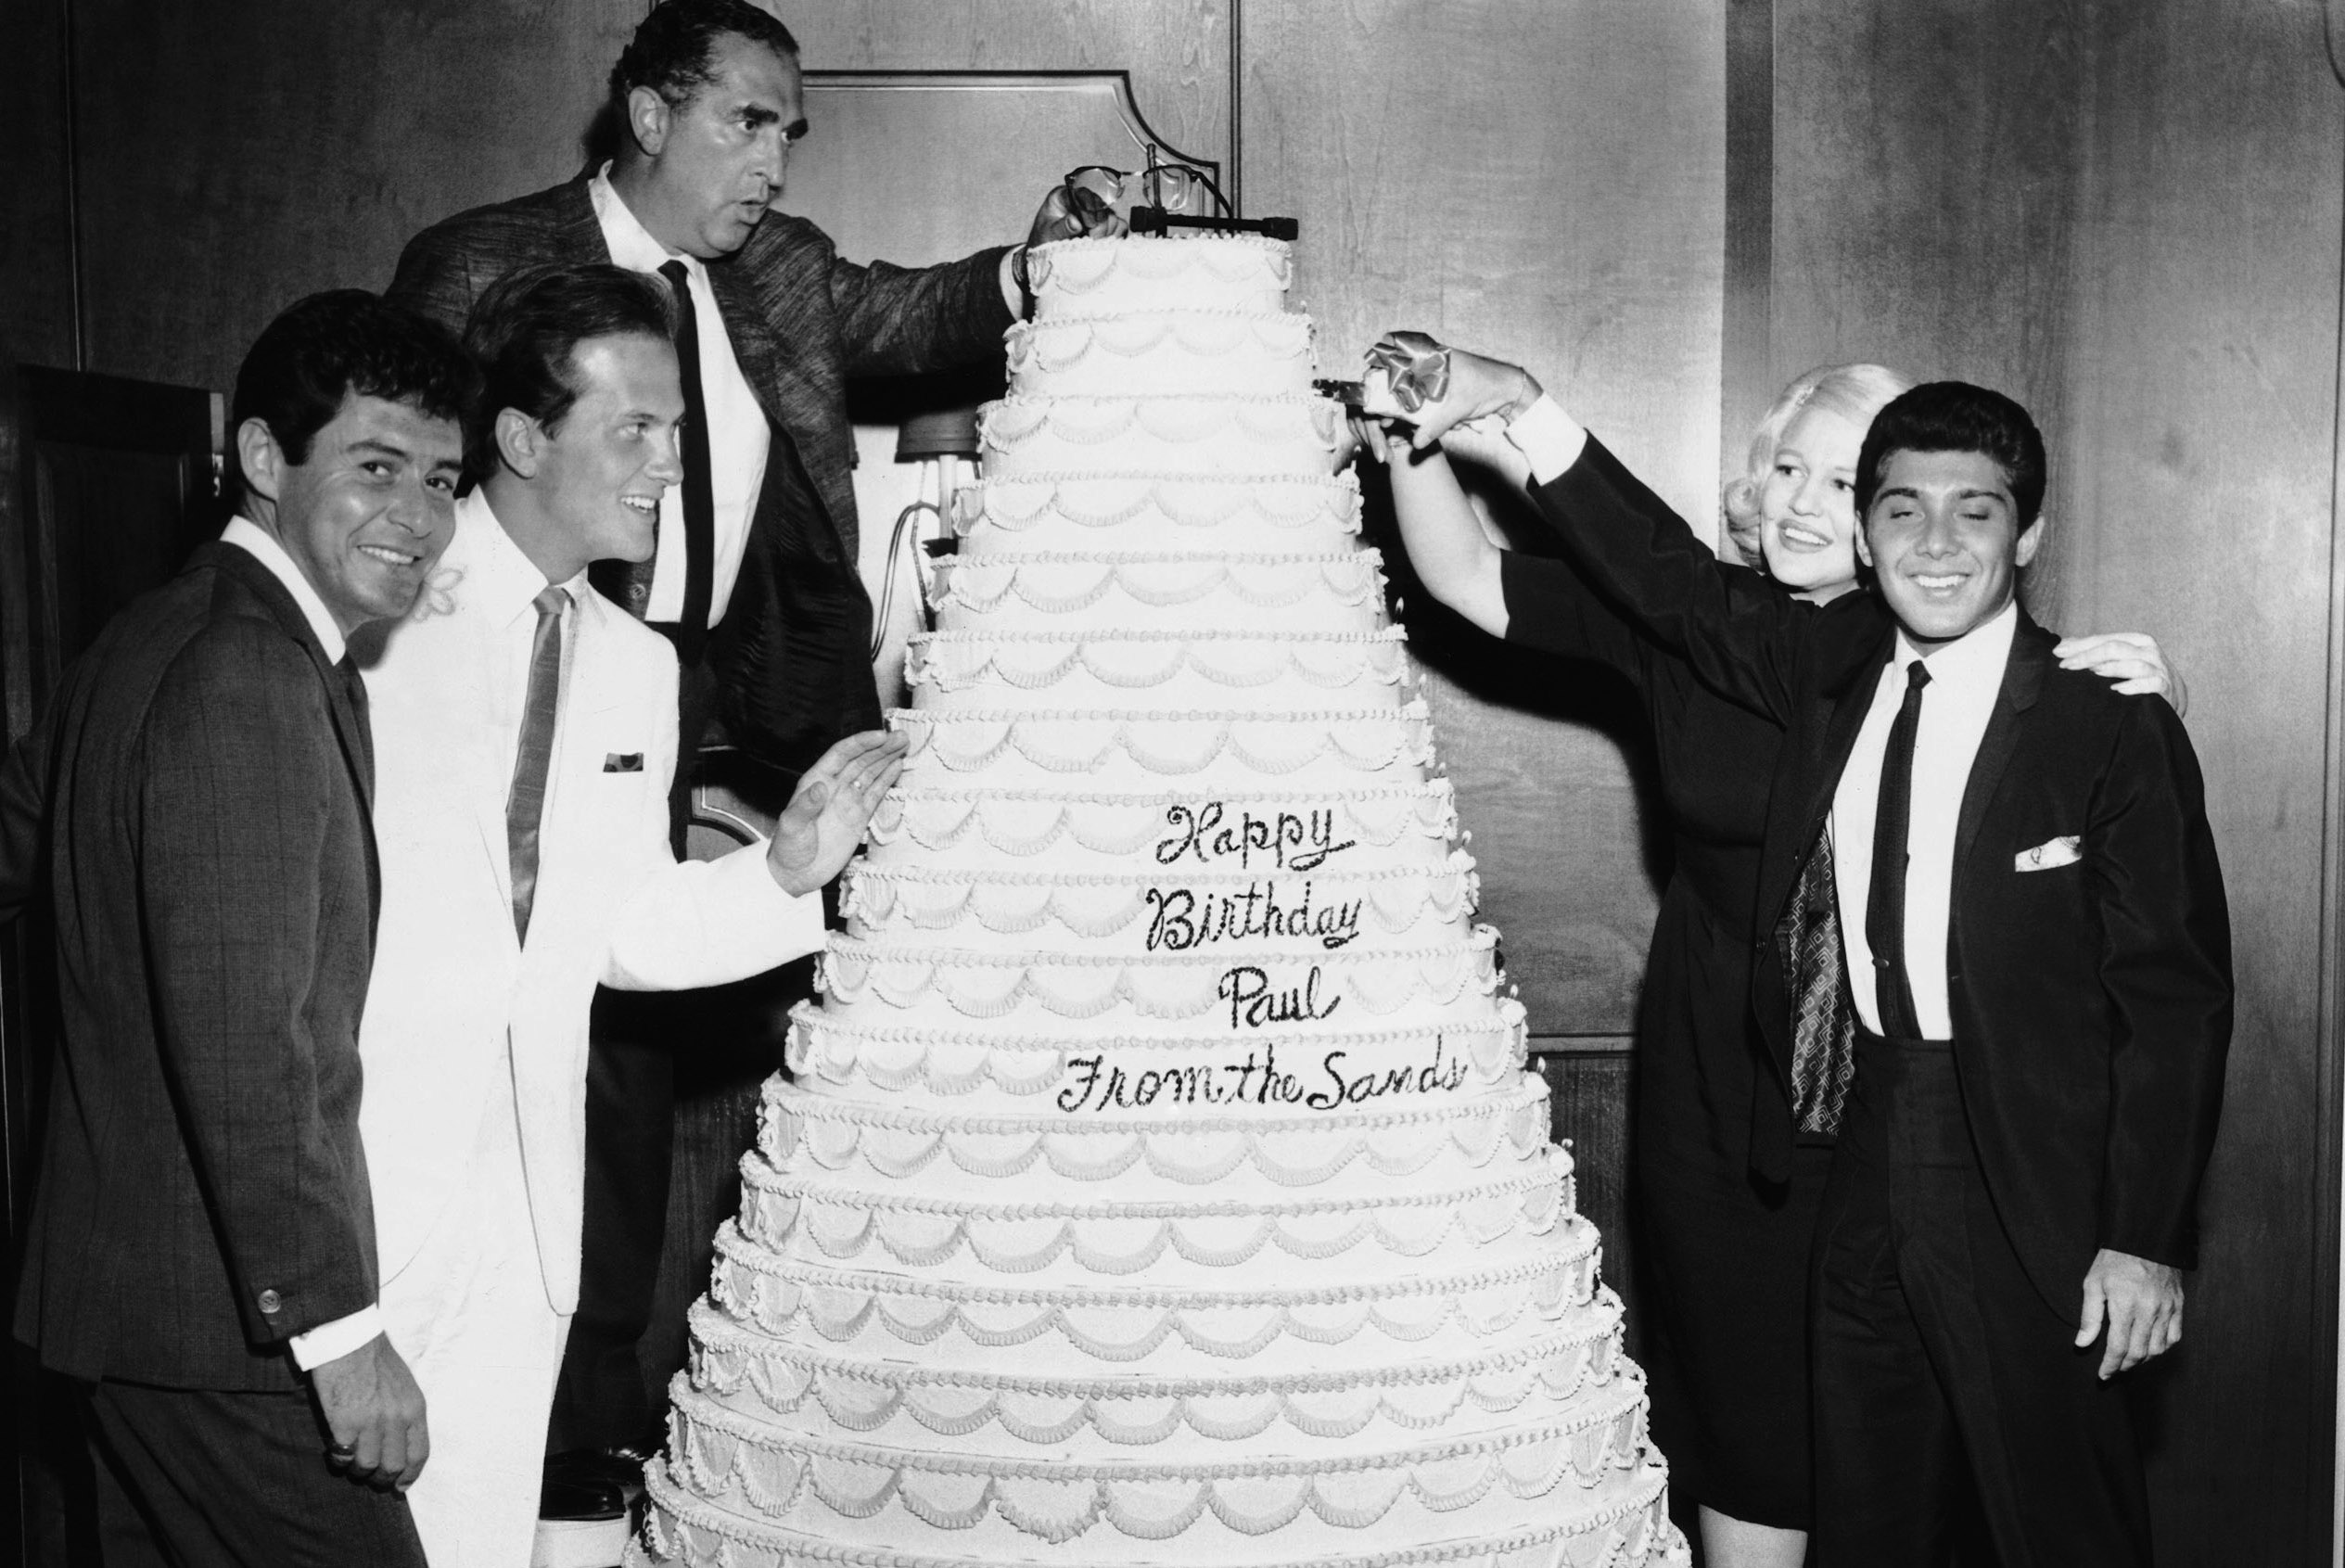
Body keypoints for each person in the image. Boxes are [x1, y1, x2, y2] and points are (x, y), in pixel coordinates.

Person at [383, 0, 1118, 1501]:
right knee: (545, 1100)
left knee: (705, 1130)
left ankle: (659, 1465)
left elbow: (916, 319)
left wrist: (1050, 261)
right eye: (746, 120)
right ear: (648, 115)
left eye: (789, 130)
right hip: (515, 703)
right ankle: (515, 1453)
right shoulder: (479, 262)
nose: (772, 159)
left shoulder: (773, 271)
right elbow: (392, 476)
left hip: (744, 712)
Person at [1390, 356, 2230, 1566]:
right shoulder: (1754, 642)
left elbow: (2155, 975)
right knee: (1799, 1452)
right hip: (1764, 1108)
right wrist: (1463, 416)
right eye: (1792, 469)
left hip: (1970, 1138)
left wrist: (2149, 716)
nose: (1801, 503)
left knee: (2012, 1478)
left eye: (1842, 483)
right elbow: (1561, 578)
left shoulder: (2033, 686)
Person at [351, 261, 906, 1566]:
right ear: (523, 437)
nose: (669, 465)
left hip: (534, 1215)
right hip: (353, 1206)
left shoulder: (638, 663)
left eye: (676, 429)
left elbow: (618, 935)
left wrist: (786, 872)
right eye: (635, 431)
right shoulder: (375, 612)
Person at [0, 292, 475, 1565]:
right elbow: (248, 1050)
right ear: (264, 460)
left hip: (121, 1315)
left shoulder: (151, 633)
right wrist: (339, 1339)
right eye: (375, 467)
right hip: (223, 1333)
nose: (419, 516)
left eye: (441, 478)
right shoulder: (251, 670)